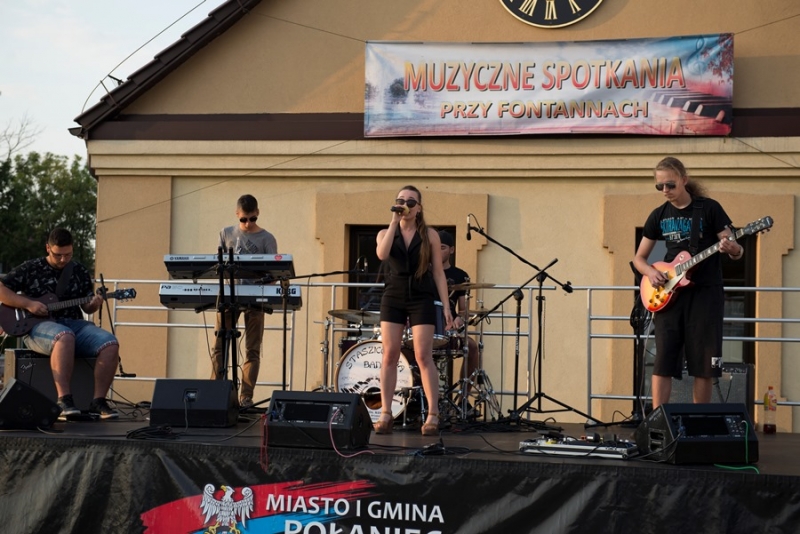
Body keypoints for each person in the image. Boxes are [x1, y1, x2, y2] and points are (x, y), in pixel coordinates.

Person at [633, 157, 743, 409]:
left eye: (670, 185)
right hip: (669, 294)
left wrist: (734, 249)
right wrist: (650, 273)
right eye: (660, 186)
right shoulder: (659, 215)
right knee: (663, 360)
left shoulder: (710, 209)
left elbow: (735, 248)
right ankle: (659, 420)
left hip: (705, 293)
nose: (665, 191)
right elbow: (639, 258)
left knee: (703, 363)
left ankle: (699, 420)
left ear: (684, 180)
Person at [0, 228, 120, 419]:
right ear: (48, 248)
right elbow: (2, 290)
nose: (63, 259)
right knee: (64, 336)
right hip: (37, 326)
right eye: (58, 255)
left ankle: (98, 401)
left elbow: (87, 307)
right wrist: (28, 304)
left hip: (74, 323)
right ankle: (64, 400)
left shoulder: (79, 270)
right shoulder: (30, 267)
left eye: (68, 254)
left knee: (110, 343)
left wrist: (95, 303)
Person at [375, 185, 454, 435]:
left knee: (423, 355)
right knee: (389, 354)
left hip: (421, 295)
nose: (405, 205)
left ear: (419, 208)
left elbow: (438, 273)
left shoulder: (430, 235)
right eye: (401, 200)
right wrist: (393, 221)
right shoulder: (385, 232)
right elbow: (382, 254)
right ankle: (385, 412)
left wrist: (446, 307)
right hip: (394, 294)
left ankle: (433, 414)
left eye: (411, 201)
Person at [210, 194, 277, 408]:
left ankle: (246, 397)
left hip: (255, 298)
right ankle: (215, 392)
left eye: (252, 219)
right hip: (228, 294)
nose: (248, 223)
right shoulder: (226, 234)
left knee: (252, 349)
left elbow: (274, 273)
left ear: (258, 213)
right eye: (243, 219)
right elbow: (217, 266)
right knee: (219, 345)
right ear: (237, 214)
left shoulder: (267, 238)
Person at [438, 230, 480, 402]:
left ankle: (463, 398)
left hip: (450, 329)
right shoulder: (424, 272)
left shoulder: (460, 275)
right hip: (426, 325)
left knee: (473, 348)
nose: (438, 251)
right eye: (435, 247)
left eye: (442, 247)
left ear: (451, 250)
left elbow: (463, 309)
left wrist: (459, 319)